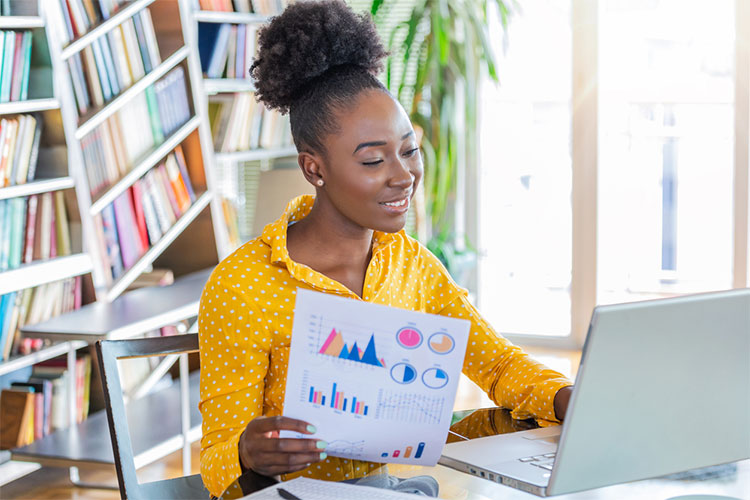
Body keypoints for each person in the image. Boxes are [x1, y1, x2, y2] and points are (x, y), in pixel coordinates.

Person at [198, 1, 573, 497]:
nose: (404, 175)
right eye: (373, 160)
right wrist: (248, 452)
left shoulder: (412, 264)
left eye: (409, 149)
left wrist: (569, 398)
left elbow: (498, 364)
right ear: (314, 170)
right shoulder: (243, 284)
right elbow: (217, 457)